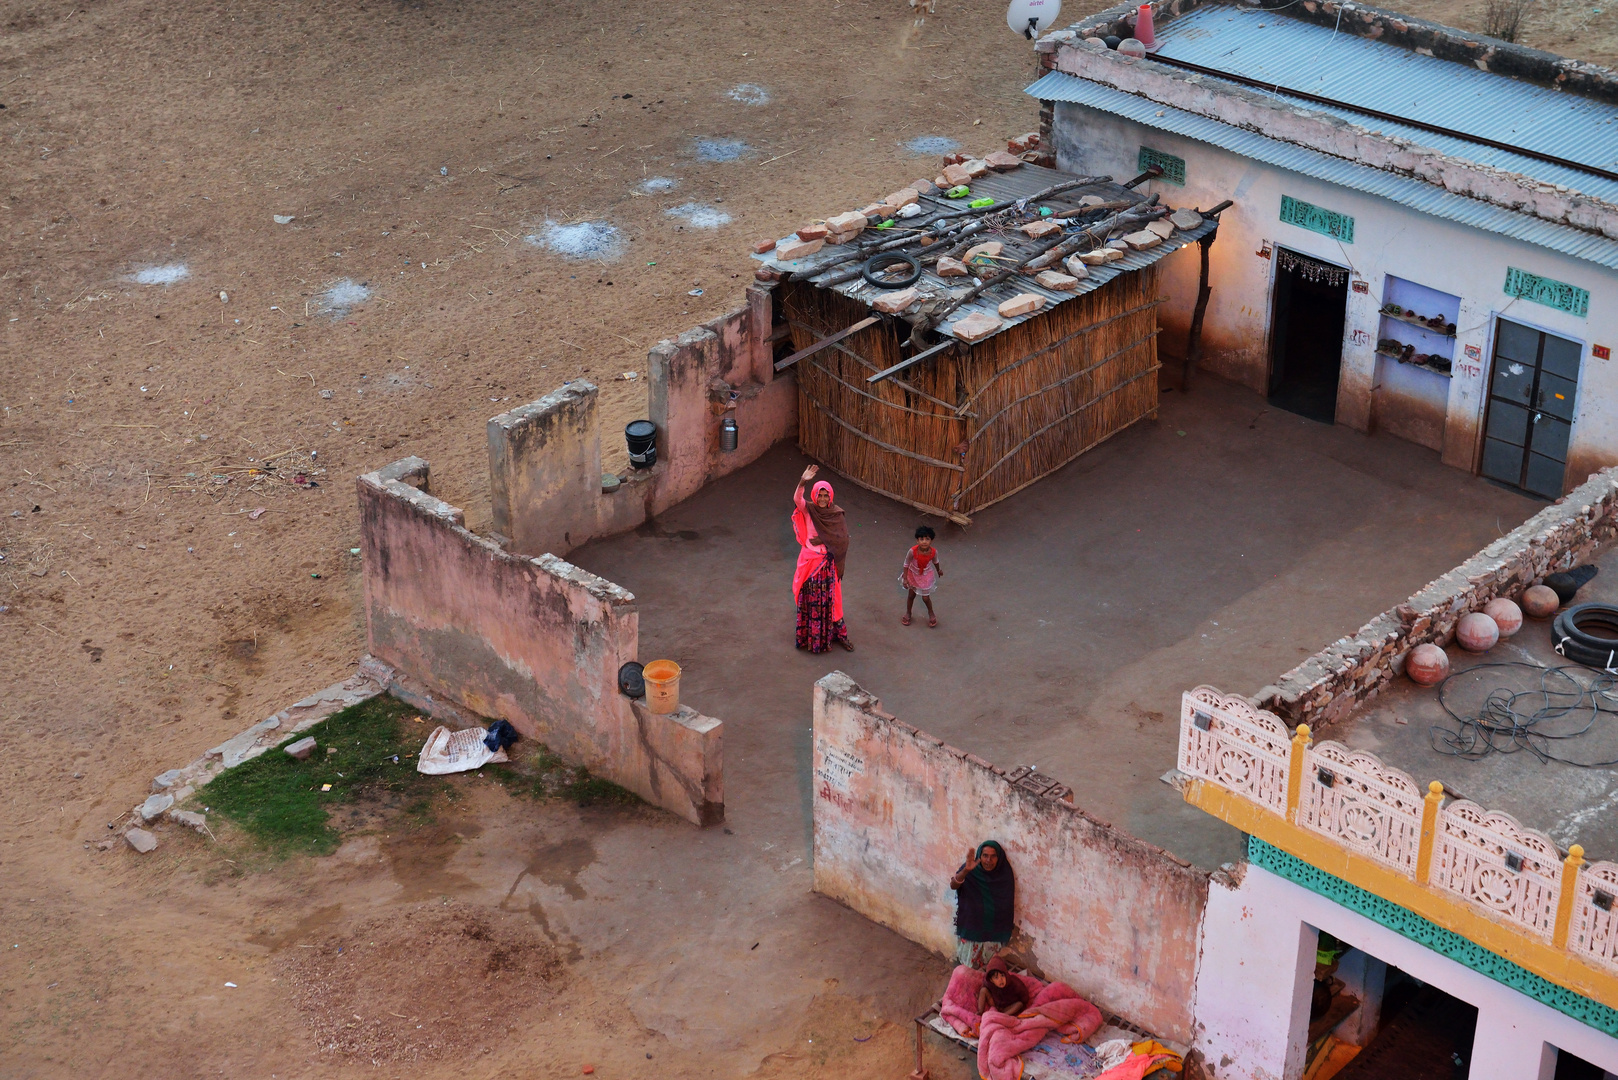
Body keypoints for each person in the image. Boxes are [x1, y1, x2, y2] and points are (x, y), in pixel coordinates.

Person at [792, 464, 854, 654]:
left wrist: (823, 539)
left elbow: (842, 539)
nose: (822, 498)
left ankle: (840, 636)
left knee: (832, 601)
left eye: (826, 495)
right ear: (814, 495)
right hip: (810, 563)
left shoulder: (836, 514)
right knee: (812, 602)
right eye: (819, 494)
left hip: (828, 564)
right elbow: (797, 499)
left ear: (831, 497)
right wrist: (803, 481)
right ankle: (812, 638)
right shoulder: (808, 510)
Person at [950, 840, 1015, 969]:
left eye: (993, 856)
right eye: (985, 855)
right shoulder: (970, 869)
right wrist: (965, 871)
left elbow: (1006, 904)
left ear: (999, 857)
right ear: (979, 856)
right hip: (972, 926)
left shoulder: (1004, 873)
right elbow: (953, 885)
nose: (988, 860)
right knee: (968, 967)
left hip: (994, 929)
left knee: (988, 967)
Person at [899, 524, 943, 627]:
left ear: (931, 541)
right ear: (917, 541)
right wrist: (905, 578)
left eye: (927, 539)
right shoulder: (912, 551)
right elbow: (906, 564)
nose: (924, 541)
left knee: (925, 598)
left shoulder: (933, 552)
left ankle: (931, 613)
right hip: (913, 574)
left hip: (925, 576)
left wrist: (938, 570)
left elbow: (936, 562)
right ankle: (908, 613)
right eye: (921, 539)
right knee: (911, 595)